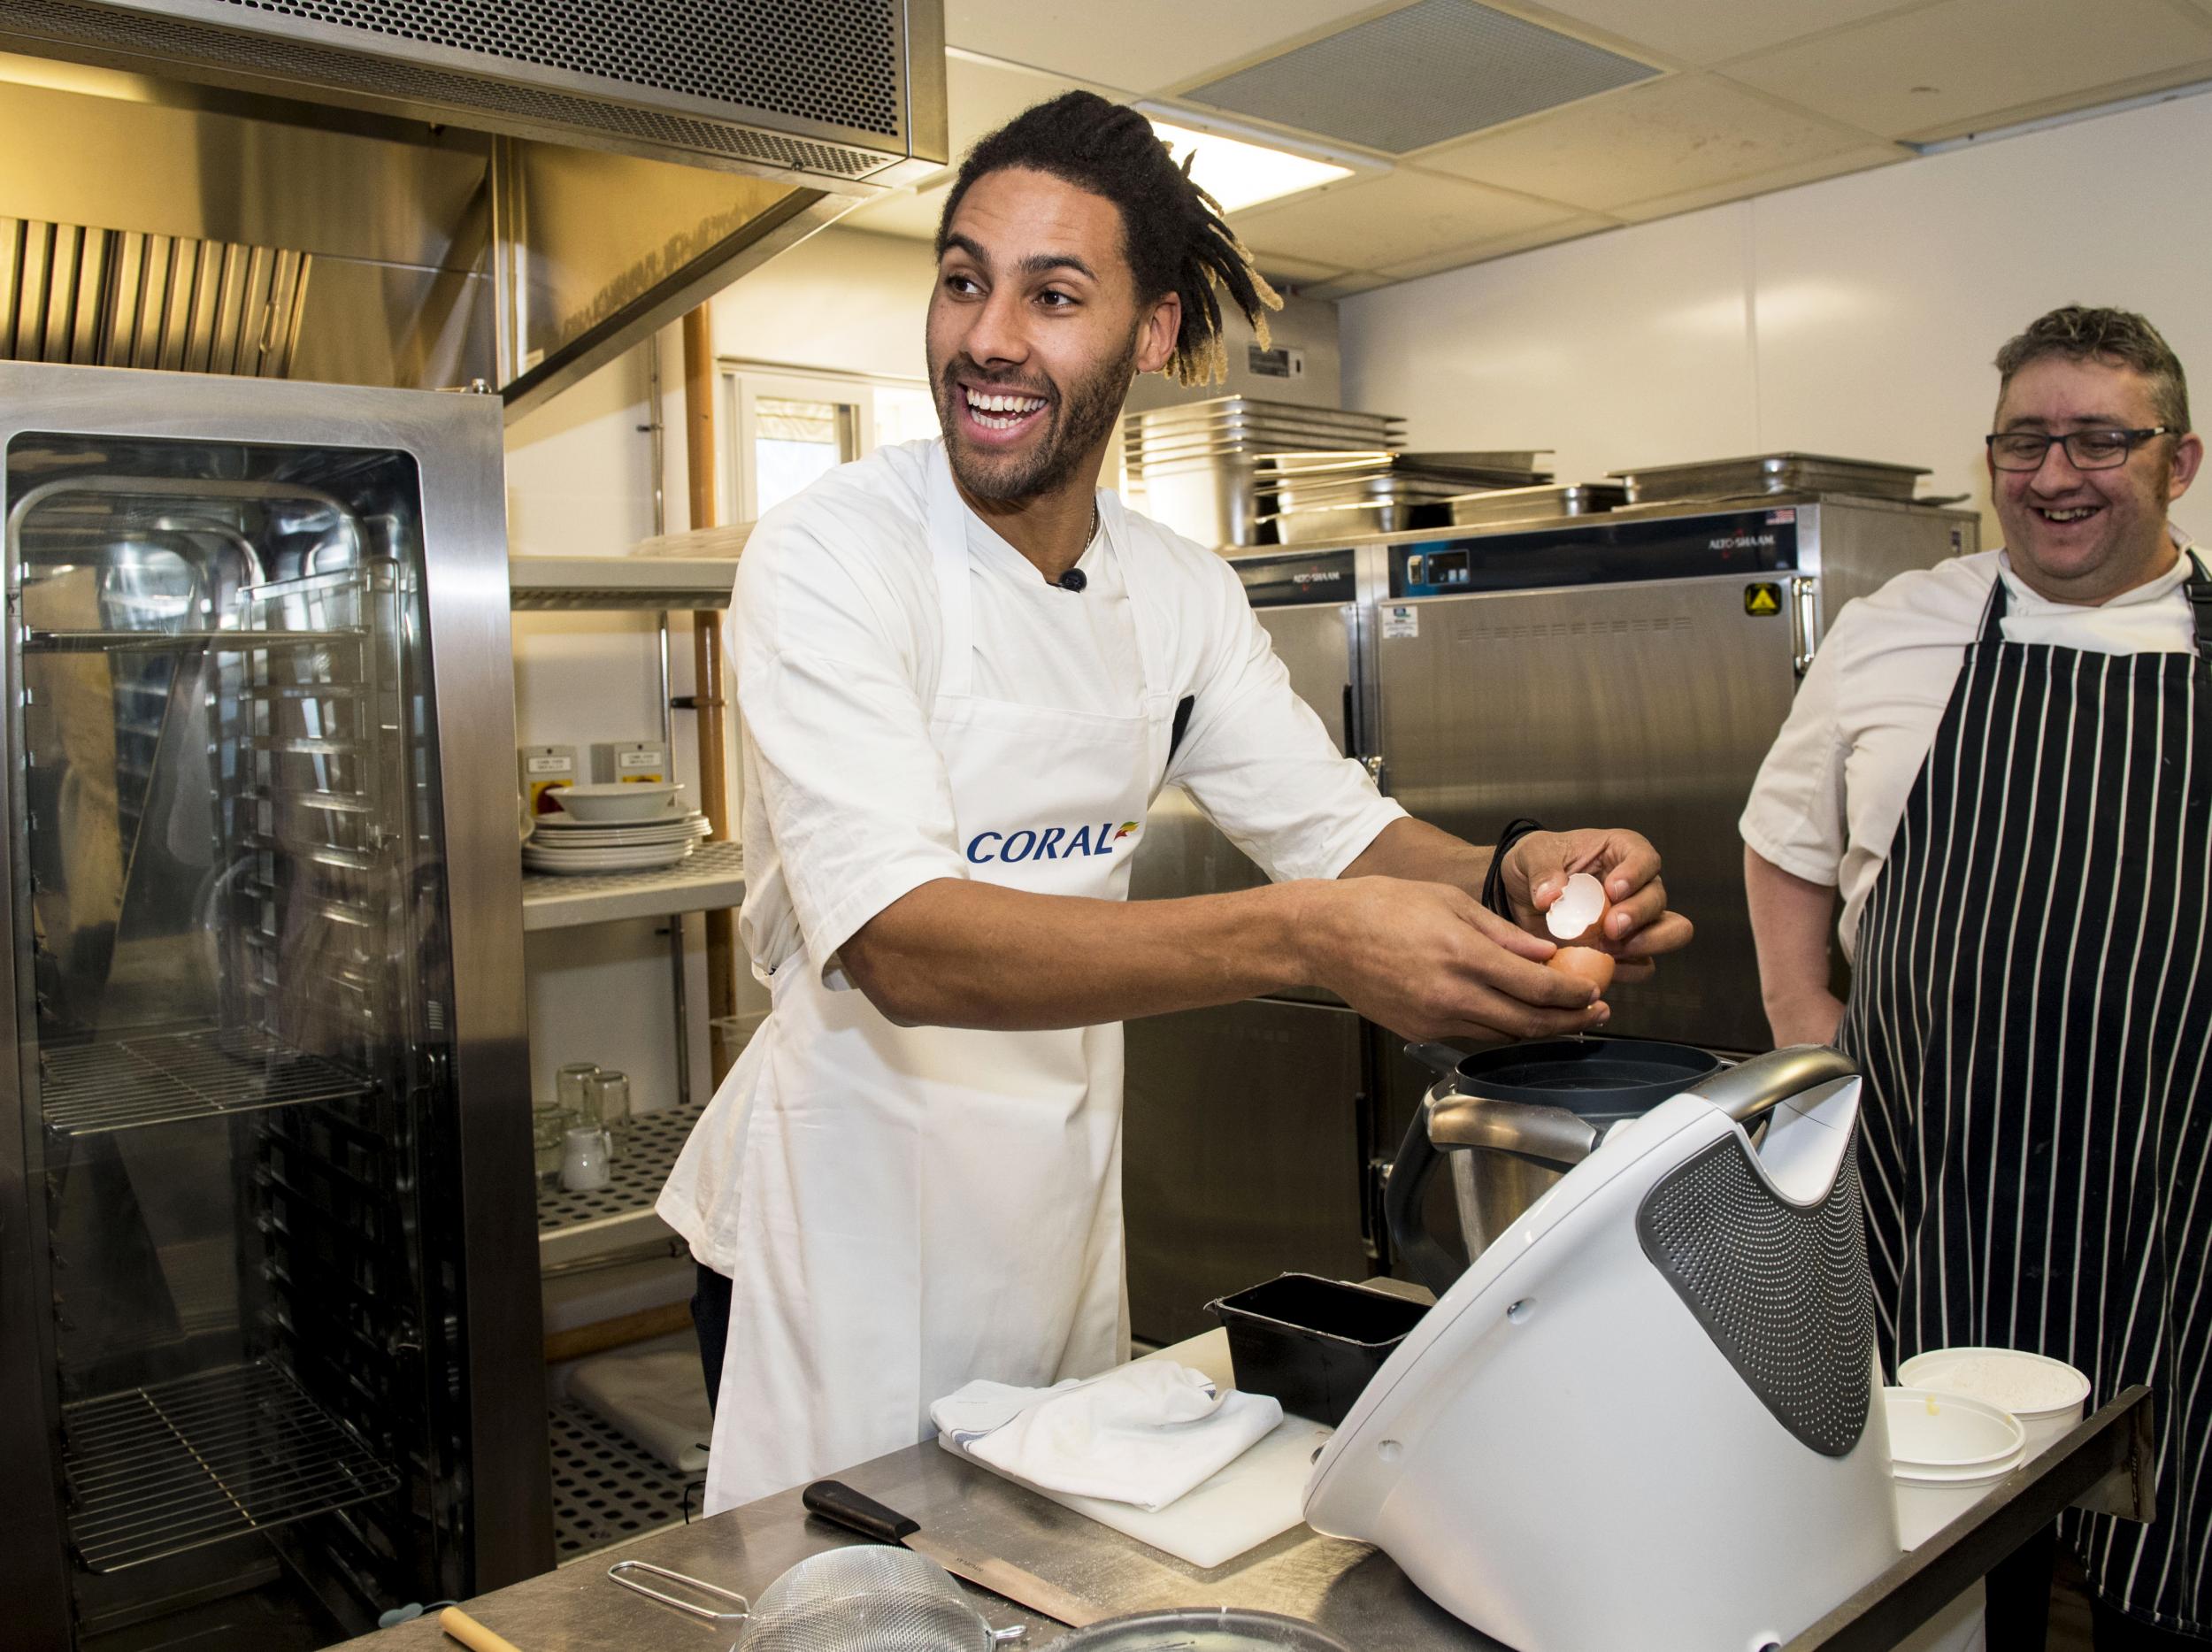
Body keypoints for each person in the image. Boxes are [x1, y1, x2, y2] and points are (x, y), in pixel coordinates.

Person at [660, 90, 1692, 1517]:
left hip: (1051, 1217)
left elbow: (1340, 832)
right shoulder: (832, 555)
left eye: (1054, 294)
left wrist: (1515, 871)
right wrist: (1306, 940)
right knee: (836, 1598)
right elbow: (899, 941)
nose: (989, 336)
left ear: (1150, 335)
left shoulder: (1179, 591)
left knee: (1026, 1577)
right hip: (832, 1228)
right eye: (963, 280)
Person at [1742, 304, 2208, 1646]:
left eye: (2099, 441)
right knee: (1913, 1544)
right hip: (1928, 1166)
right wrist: (1802, 1019)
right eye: (2024, 441)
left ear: (2178, 463)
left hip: (2166, 1175)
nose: (2054, 475)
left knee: (2168, 1520)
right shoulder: (1899, 629)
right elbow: (1786, 840)